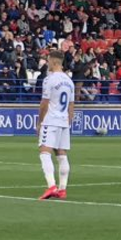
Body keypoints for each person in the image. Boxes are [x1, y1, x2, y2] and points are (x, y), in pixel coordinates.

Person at [36, 50, 75, 200]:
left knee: (44, 152)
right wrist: (68, 121)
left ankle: (52, 186)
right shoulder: (69, 81)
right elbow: (72, 105)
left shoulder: (49, 80)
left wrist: (40, 122)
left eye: (48, 60)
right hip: (63, 121)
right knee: (61, 154)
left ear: (54, 61)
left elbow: (44, 103)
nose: (47, 63)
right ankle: (63, 189)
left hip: (51, 120)